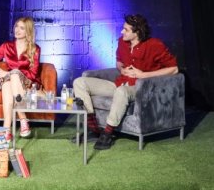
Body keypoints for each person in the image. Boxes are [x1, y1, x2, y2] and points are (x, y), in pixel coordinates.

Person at [73, 14, 178, 150]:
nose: (122, 31)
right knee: (79, 82)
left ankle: (107, 133)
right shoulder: (122, 42)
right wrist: (121, 69)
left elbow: (174, 69)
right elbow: (118, 61)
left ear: (137, 32)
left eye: (126, 30)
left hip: (139, 87)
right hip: (120, 83)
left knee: (122, 91)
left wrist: (143, 74)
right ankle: (94, 129)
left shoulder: (154, 45)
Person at [0, 17, 41, 139]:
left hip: (27, 83)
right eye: (16, 26)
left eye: (22, 28)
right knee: (6, 84)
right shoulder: (7, 46)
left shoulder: (35, 49)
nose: (17, 30)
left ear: (28, 31)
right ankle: (8, 129)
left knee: (13, 75)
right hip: (11, 83)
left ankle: (22, 119)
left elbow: (33, 74)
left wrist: (9, 73)